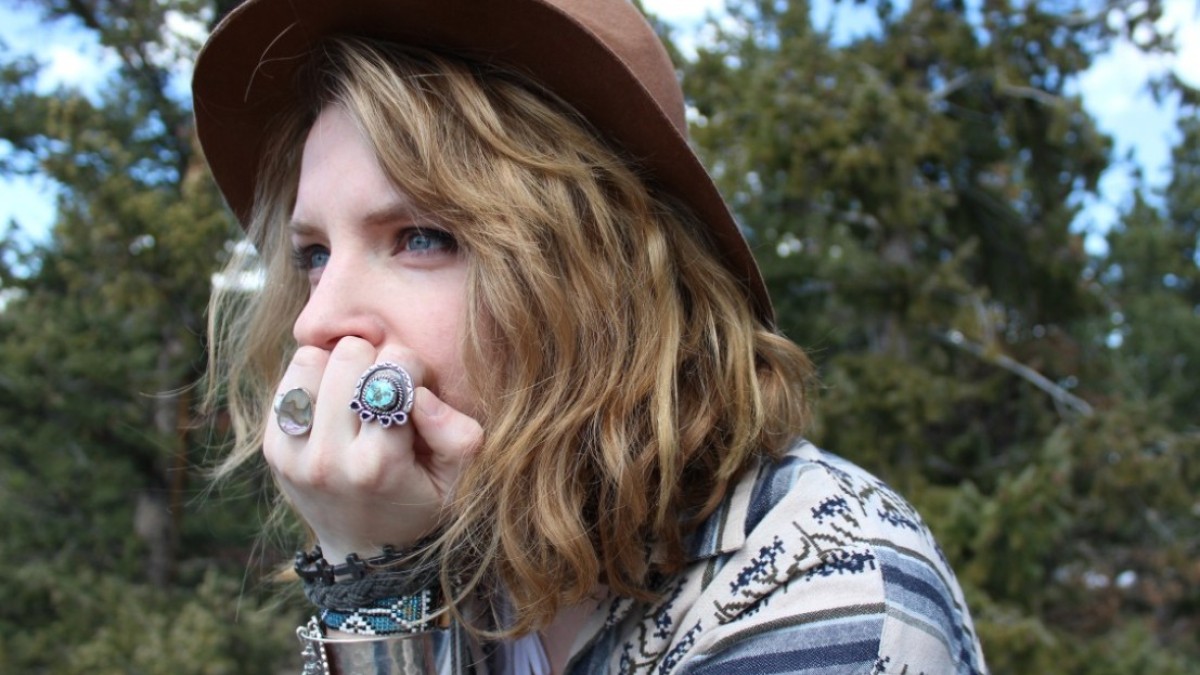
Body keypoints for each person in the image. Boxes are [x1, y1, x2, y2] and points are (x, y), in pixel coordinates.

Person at [196, 0, 988, 673]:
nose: (315, 320)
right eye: (313, 254)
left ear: (604, 273)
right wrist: (370, 574)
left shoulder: (821, 577)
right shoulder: (443, 535)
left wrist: (374, 592)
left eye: (421, 238)